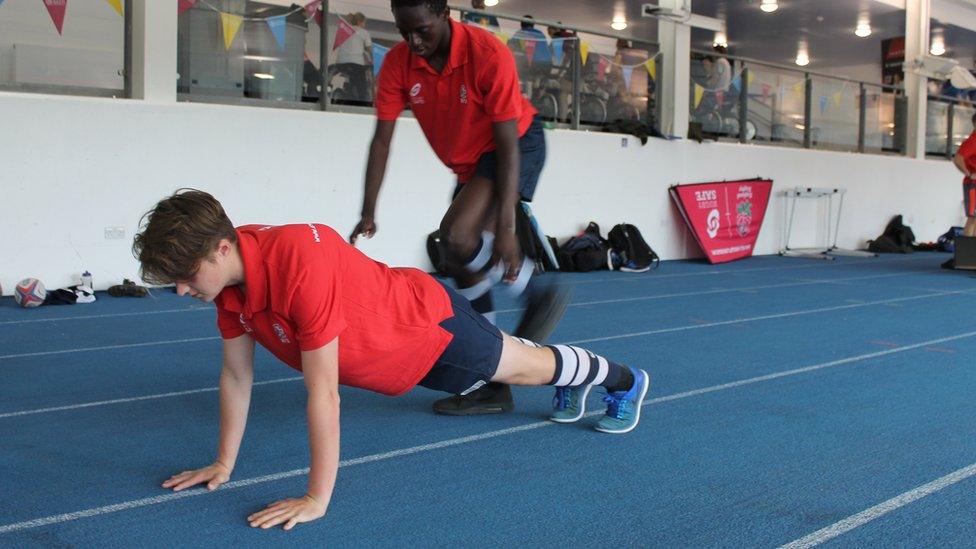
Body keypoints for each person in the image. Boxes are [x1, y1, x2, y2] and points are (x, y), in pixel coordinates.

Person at [141, 189, 651, 530]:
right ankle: (556, 378)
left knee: (527, 366)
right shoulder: (230, 287)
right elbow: (235, 373)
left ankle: (625, 380)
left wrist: (317, 498)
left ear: (222, 248)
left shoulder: (298, 265)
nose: (182, 289)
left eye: (185, 275)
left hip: (428, 328)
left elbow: (323, 391)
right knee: (525, 364)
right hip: (397, 360)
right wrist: (223, 463)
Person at [352, 0, 566, 416]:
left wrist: (505, 228)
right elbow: (382, 140)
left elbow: (506, 146)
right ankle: (489, 376)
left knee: (457, 235)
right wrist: (368, 209)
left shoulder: (487, 54)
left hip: (516, 144)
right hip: (473, 162)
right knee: (454, 253)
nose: (413, 41)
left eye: (422, 30)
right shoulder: (399, 65)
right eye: (403, 31)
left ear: (445, 15)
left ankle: (535, 293)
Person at [945, 112, 976, 269]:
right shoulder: (972, 141)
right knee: (972, 218)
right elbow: (958, 158)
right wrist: (968, 173)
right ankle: (964, 256)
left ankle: (970, 256)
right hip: (973, 184)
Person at [332, 12, 373, 103]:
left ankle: (348, 93)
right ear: (359, 22)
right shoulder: (364, 32)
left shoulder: (344, 30)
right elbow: (369, 49)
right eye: (364, 23)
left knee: (355, 77)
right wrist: (373, 59)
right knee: (362, 86)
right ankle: (363, 104)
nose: (364, 25)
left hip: (340, 63)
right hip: (355, 64)